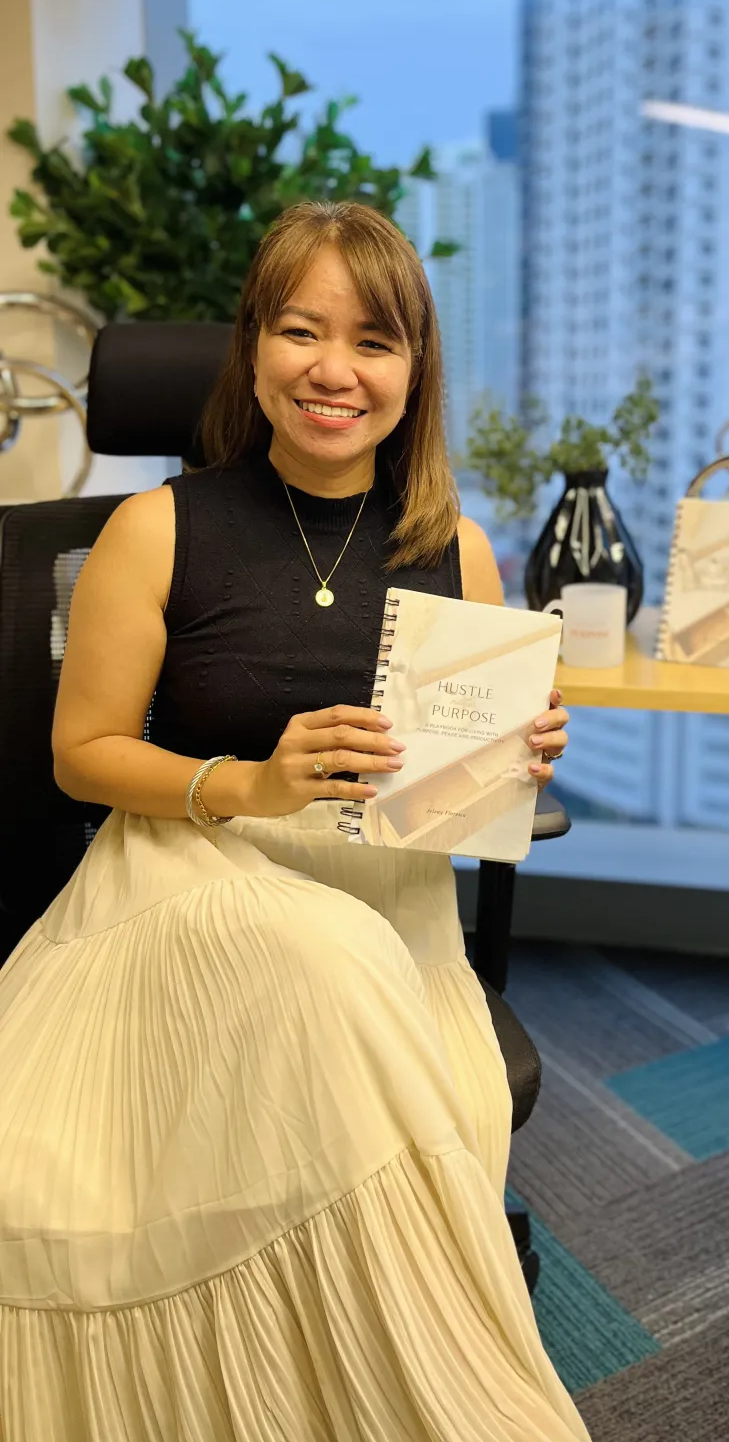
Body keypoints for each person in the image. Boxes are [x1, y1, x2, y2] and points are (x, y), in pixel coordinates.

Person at [0, 201, 590, 1441]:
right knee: (326, 961)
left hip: (387, 902)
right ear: (254, 348)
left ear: (414, 372)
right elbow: (80, 754)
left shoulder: (459, 548)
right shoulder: (158, 527)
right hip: (190, 874)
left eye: (374, 341)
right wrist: (252, 784)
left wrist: (513, 760)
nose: (335, 370)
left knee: (387, 1010)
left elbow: (460, 793)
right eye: (301, 330)